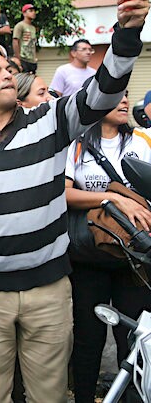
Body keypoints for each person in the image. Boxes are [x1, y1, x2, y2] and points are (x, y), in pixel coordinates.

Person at [0, 0, 149, 403]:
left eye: (9, 69)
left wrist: (125, 34)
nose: (8, 73)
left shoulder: (49, 122)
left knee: (49, 393)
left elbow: (102, 93)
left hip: (49, 291)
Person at [66, 92, 151, 403]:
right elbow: (65, 193)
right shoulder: (76, 143)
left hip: (134, 257)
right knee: (88, 337)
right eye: (117, 97)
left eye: (127, 96)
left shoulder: (140, 141)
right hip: (89, 252)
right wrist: (113, 198)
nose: (125, 102)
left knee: (134, 337)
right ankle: (84, 396)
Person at [12, 3, 38, 73]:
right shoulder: (20, 25)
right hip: (23, 59)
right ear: (24, 13)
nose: (33, 13)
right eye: (31, 11)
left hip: (31, 60)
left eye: (34, 11)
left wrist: (35, 58)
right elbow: (15, 41)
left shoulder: (33, 28)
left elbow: (33, 43)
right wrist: (18, 58)